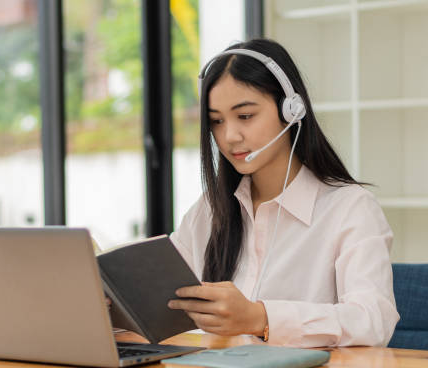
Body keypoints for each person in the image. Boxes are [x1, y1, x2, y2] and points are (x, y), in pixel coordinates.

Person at [167, 38, 399, 347]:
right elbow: (163, 291)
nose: (229, 136)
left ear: (291, 109)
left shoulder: (350, 208)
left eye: (245, 116)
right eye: (216, 121)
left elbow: (372, 320)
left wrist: (261, 318)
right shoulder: (210, 210)